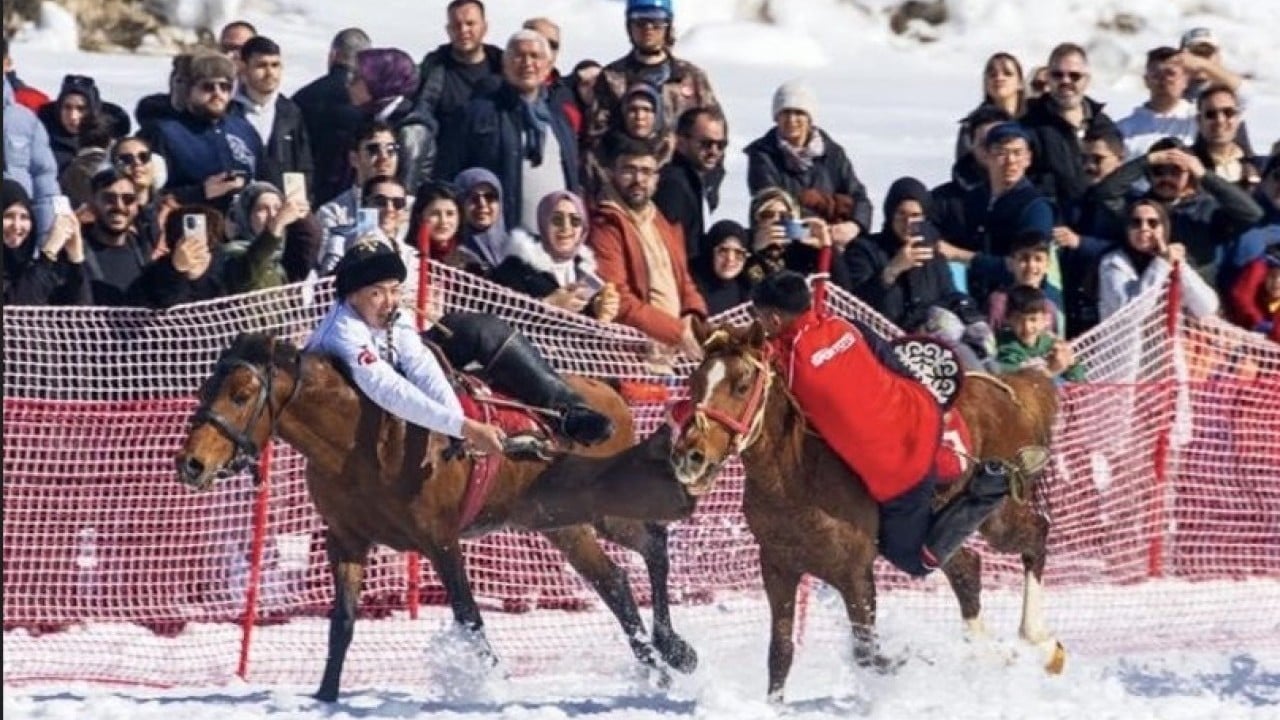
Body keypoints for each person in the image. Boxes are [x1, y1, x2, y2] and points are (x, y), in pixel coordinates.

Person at [749, 270, 1046, 576]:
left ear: (773, 320)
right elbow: (888, 356)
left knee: (913, 561)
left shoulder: (785, 360)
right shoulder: (844, 324)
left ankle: (988, 490)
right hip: (926, 410)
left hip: (902, 467)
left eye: (757, 317)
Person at [307, 237, 612, 450]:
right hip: (353, 411)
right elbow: (388, 389)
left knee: (482, 330)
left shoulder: (391, 311)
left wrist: (459, 425)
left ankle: (569, 412)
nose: (390, 302)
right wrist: (465, 428)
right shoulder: (344, 333)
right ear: (351, 296)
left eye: (395, 290)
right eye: (377, 293)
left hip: (391, 372)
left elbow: (420, 363)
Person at [994, 285, 1086, 383]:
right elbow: (1014, 381)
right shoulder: (1007, 347)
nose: (1027, 327)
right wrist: (1050, 372)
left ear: (1045, 320)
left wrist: (1071, 363)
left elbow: (1079, 381)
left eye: (1033, 319)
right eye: (1018, 320)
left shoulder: (1050, 343)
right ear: (1008, 319)